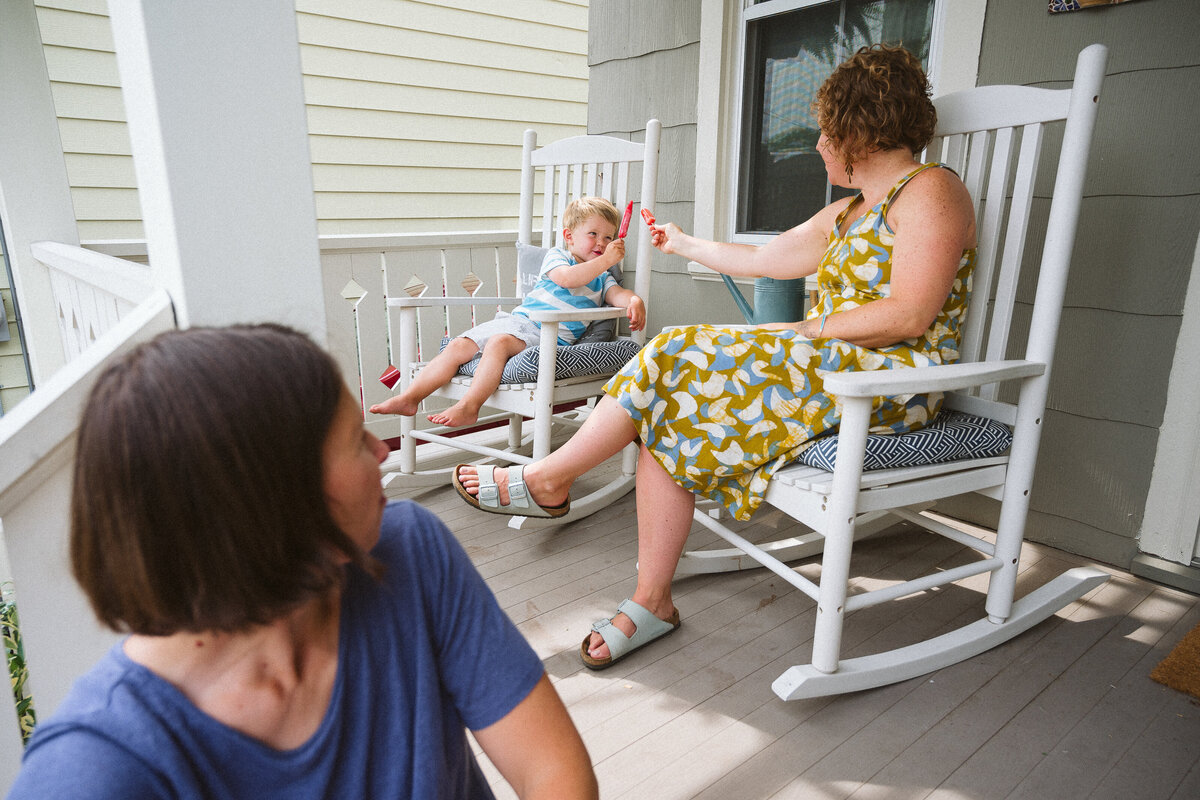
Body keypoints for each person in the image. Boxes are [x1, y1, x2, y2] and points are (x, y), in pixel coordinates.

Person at [452, 43, 977, 670]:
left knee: (675, 350)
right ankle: (651, 599)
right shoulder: (848, 212)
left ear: (857, 131)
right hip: (829, 367)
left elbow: (910, 313)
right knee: (667, 399)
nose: (817, 146)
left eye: (824, 132)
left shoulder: (931, 191)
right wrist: (683, 243)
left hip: (891, 381)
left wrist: (806, 332)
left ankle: (550, 479)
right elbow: (762, 259)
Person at [7, 324, 598, 800]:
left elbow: (553, 771)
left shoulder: (409, 552)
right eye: (353, 441)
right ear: (267, 502)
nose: (382, 450)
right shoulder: (100, 765)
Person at [370, 196, 647, 427]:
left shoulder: (603, 279)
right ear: (569, 238)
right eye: (593, 234)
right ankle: (410, 398)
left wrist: (634, 301)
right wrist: (608, 259)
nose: (601, 242)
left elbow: (618, 295)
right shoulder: (558, 257)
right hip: (518, 321)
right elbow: (568, 278)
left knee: (499, 342)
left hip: (549, 335)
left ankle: (470, 405)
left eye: (608, 237)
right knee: (457, 345)